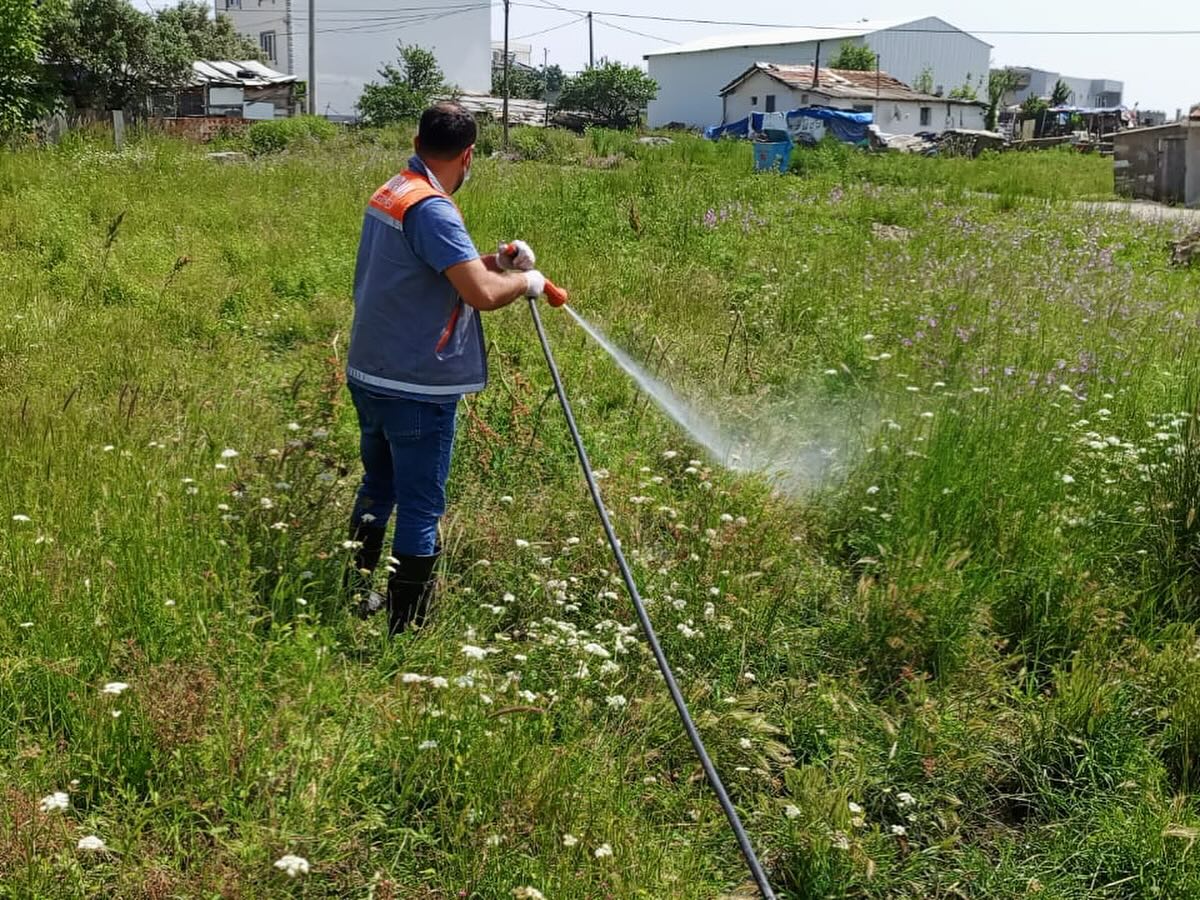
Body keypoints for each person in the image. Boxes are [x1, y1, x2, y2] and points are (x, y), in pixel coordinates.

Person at [344, 101, 547, 636]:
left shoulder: (395, 191)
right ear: (469, 154)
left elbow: (444, 271)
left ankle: (354, 590)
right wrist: (525, 283)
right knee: (420, 506)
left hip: (370, 372)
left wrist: (497, 261)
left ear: (417, 140)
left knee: (379, 484)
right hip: (414, 384)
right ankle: (406, 629)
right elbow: (478, 296)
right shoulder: (432, 207)